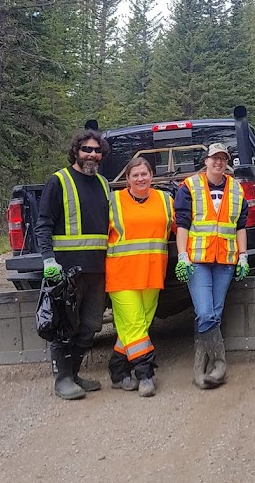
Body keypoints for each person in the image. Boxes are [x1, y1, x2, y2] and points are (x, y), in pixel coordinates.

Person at [35, 129, 111, 401]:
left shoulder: (103, 184)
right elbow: (43, 224)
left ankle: (75, 373)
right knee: (64, 325)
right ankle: (63, 379)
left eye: (96, 150)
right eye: (86, 150)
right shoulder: (59, 181)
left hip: (97, 271)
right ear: (76, 152)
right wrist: (48, 260)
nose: (92, 155)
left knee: (90, 325)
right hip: (66, 271)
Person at [174, 142, 249, 389]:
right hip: (198, 261)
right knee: (205, 313)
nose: (218, 162)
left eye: (223, 158)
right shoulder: (190, 187)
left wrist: (244, 256)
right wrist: (182, 256)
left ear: (227, 162)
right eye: (214, 158)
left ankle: (201, 368)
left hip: (225, 261)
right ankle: (219, 363)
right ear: (205, 161)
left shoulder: (237, 189)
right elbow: (182, 224)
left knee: (213, 315)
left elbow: (240, 226)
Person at [105, 157, 174, 397]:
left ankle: (117, 370)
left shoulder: (165, 201)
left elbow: (183, 228)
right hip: (121, 276)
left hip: (153, 274)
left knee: (138, 326)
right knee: (134, 325)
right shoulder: (113, 202)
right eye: (135, 175)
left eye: (144, 174)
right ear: (127, 179)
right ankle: (145, 374)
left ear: (152, 176)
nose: (140, 178)